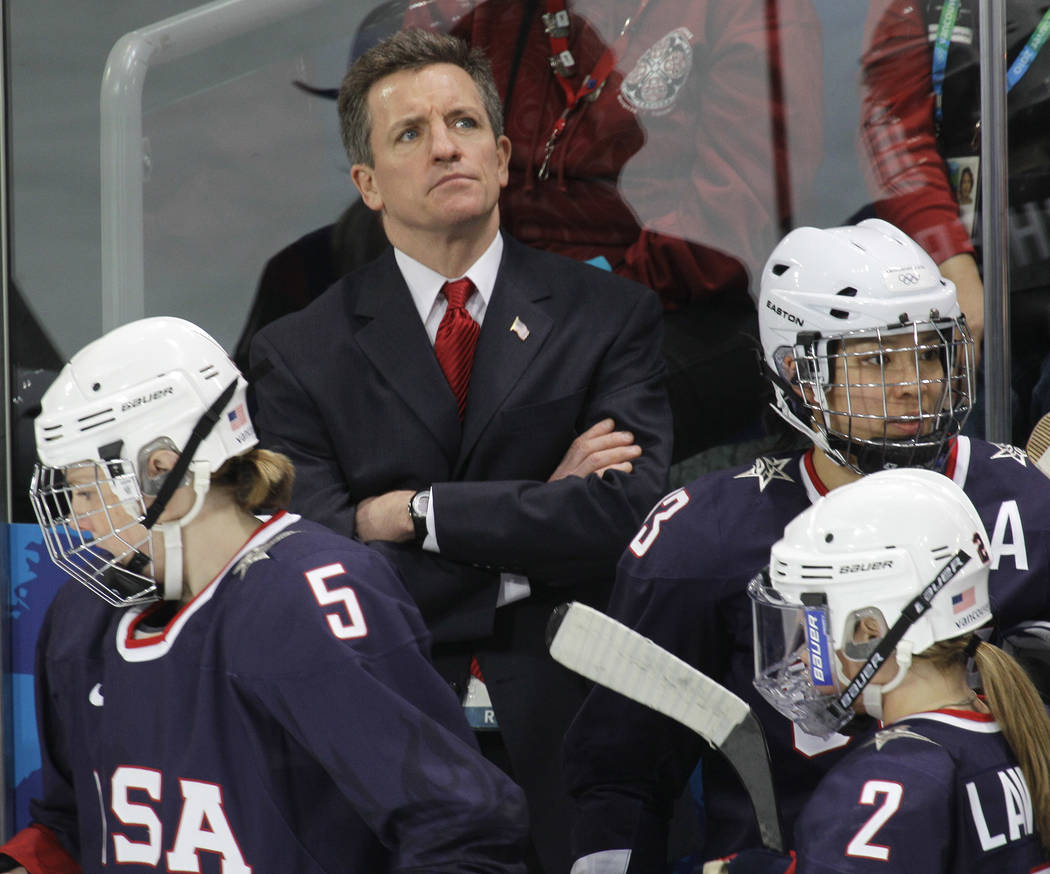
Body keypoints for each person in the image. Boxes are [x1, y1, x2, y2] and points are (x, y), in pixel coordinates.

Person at [248, 28, 672, 874]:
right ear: (367, 183)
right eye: (410, 134)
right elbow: (321, 563)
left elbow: (621, 518)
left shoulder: (610, 317)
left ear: (506, 153)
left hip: (578, 734)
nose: (445, 146)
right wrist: (530, 525)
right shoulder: (297, 350)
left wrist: (411, 513)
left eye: (465, 123)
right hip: (387, 733)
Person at [562, 218, 1050, 872]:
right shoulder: (703, 538)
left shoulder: (1021, 499)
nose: (915, 382)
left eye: (929, 352)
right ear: (798, 371)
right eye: (878, 359)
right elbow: (622, 773)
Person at [0, 316, 529, 874]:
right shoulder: (83, 618)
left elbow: (456, 827)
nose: (78, 517)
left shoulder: (309, 598)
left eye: (86, 489)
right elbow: (74, 824)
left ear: (160, 470)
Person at [235, 0, 824, 462]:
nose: (441, 142)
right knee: (304, 301)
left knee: (510, 411)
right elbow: (426, 82)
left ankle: (439, 536)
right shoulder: (509, 14)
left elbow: (722, 230)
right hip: (500, 266)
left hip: (675, 306)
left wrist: (561, 290)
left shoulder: (746, 10)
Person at [705, 468, 1050, 872]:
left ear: (868, 631)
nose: (800, 659)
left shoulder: (888, 780)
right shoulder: (1019, 726)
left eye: (811, 627)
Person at [860, 0, 1050, 441]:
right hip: (955, 289)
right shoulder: (915, 7)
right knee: (961, 469)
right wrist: (952, 265)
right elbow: (892, 131)